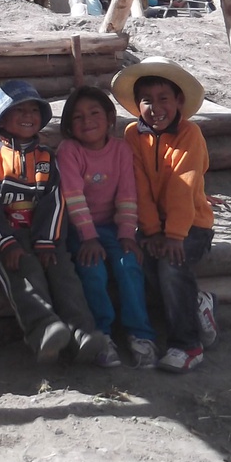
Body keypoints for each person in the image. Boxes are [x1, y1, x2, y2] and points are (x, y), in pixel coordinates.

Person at [0, 79, 111, 366]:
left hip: (44, 234)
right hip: (6, 236)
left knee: (64, 274)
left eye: (34, 110)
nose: (28, 116)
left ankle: (82, 332)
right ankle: (44, 330)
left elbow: (55, 201)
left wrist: (48, 242)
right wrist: (6, 243)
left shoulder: (47, 158)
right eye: (19, 110)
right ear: (2, 120)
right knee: (26, 273)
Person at [111, 56, 218, 373]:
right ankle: (195, 303)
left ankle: (188, 345)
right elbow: (138, 186)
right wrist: (152, 231)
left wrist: (173, 235)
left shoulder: (190, 134)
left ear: (179, 101)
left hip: (192, 224)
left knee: (171, 264)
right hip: (155, 226)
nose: (155, 107)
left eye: (163, 99)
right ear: (137, 105)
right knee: (140, 262)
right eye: (147, 100)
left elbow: (182, 185)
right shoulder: (133, 135)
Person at [57, 85, 157, 368]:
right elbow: (73, 197)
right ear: (68, 126)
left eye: (94, 113)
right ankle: (102, 334)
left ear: (110, 117)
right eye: (77, 117)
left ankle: (140, 333)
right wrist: (88, 238)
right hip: (79, 230)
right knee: (93, 269)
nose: (87, 121)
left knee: (129, 264)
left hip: (112, 229)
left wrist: (127, 235)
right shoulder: (69, 151)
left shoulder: (121, 150)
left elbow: (127, 194)